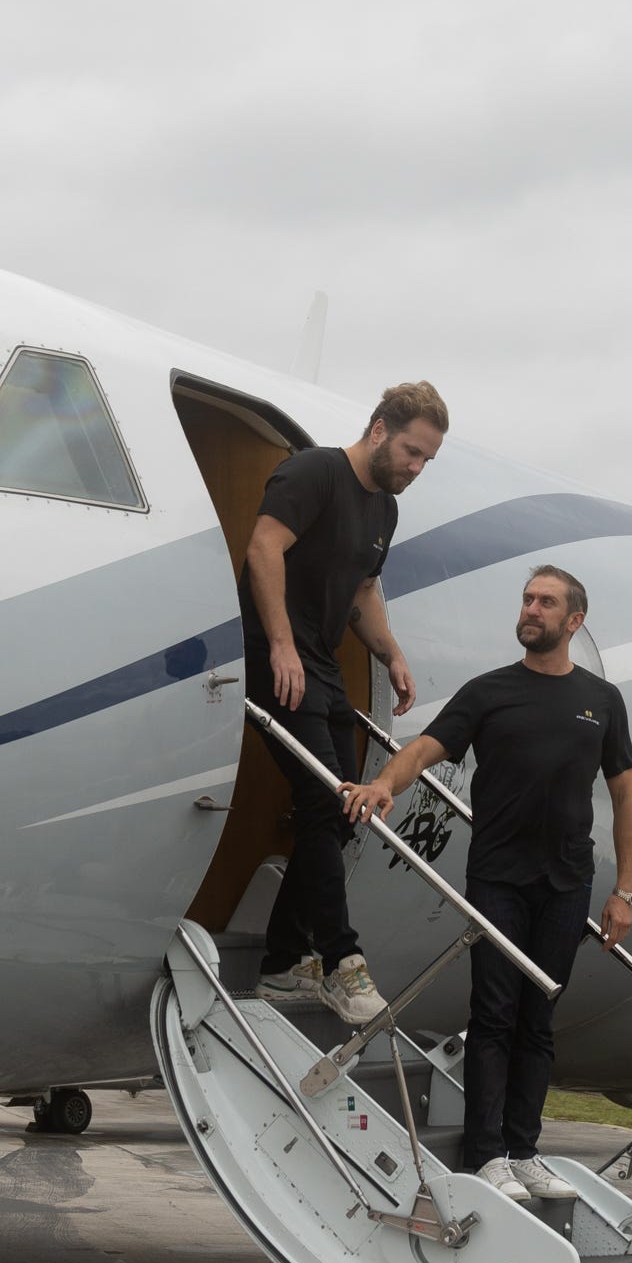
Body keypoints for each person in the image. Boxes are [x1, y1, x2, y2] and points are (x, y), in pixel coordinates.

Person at [345, 565, 632, 1199]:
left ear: (574, 621)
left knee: (539, 1019)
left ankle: (524, 1151)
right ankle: (487, 1157)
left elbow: (626, 794)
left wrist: (625, 892)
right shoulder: (489, 692)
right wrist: (384, 784)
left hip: (567, 881)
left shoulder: (601, 700)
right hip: (499, 879)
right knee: (495, 1013)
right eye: (528, 599)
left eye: (546, 602)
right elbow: (424, 749)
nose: (531, 609)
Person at [243, 381, 448, 1029]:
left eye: (427, 460)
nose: (416, 468)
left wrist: (391, 655)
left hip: (324, 668)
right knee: (325, 800)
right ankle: (340, 959)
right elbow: (263, 548)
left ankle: (283, 961)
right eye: (412, 452)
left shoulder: (384, 510)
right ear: (379, 429)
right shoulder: (313, 473)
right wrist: (280, 644)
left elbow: (362, 592)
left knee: (342, 814)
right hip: (277, 658)